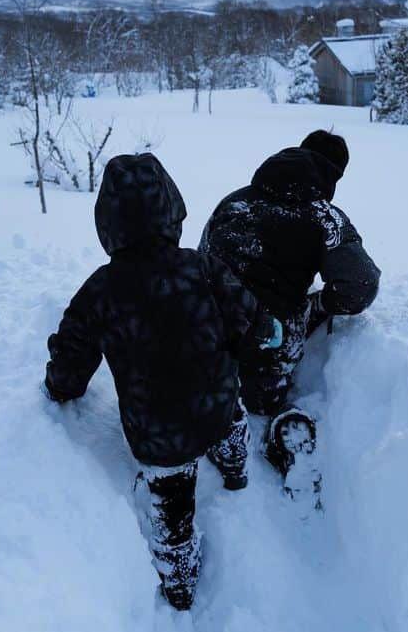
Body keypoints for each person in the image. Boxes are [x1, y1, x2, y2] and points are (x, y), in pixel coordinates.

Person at [43, 153, 278, 611]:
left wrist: (60, 387)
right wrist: (260, 339)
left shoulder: (100, 290)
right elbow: (253, 323)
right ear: (172, 208)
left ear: (107, 223)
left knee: (173, 509)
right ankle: (235, 470)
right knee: (231, 424)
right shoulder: (203, 268)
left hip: (157, 436)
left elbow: (71, 357)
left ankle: (179, 581)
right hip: (216, 407)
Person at [199, 130, 380, 504]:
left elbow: (201, 262)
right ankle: (279, 423)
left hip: (207, 342)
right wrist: (323, 303)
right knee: (263, 393)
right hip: (268, 348)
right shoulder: (323, 218)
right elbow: (361, 284)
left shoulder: (233, 202)